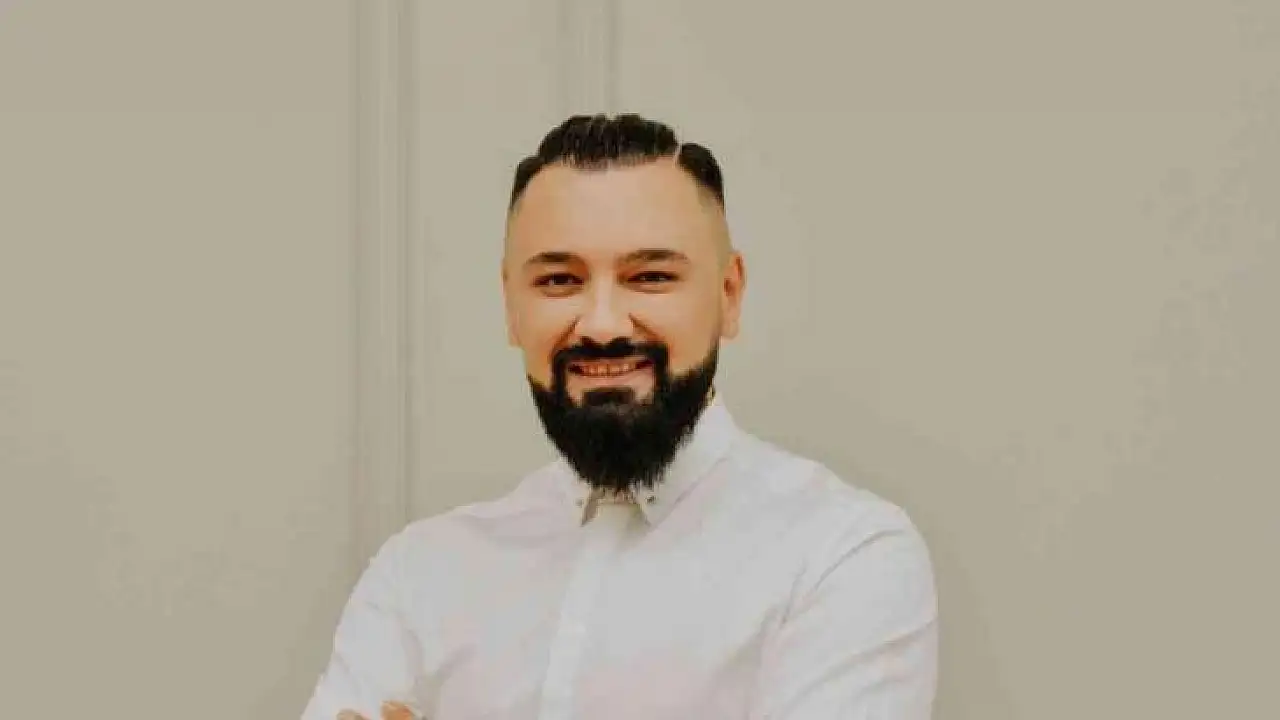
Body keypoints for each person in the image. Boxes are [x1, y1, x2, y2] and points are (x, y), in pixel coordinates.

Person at [303, 114, 938, 720]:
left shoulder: (842, 556)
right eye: (558, 281)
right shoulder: (418, 575)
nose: (602, 325)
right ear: (510, 307)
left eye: (650, 276)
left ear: (729, 295)